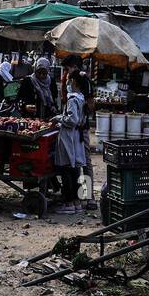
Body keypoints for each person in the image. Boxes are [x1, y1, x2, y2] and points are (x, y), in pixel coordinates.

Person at [54, 71, 91, 214]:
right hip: (77, 137)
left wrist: (59, 118)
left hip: (69, 137)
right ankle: (77, 202)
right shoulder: (82, 99)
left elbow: (72, 120)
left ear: (74, 82)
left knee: (66, 168)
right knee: (75, 169)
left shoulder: (72, 99)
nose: (68, 83)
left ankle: (69, 202)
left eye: (69, 80)